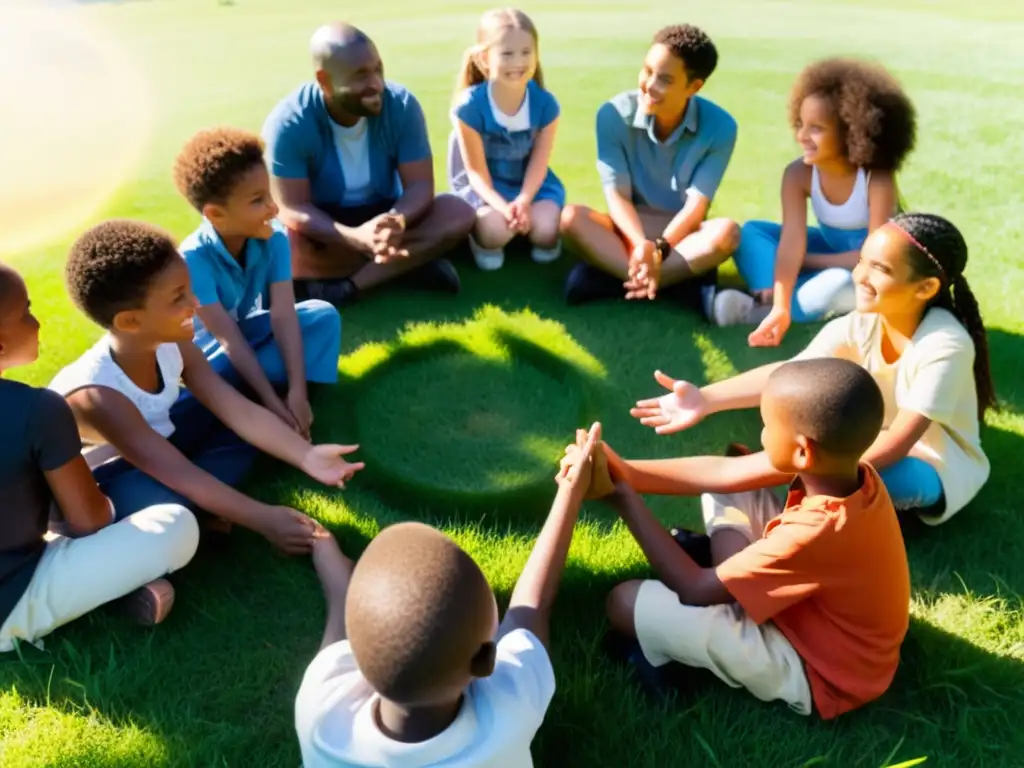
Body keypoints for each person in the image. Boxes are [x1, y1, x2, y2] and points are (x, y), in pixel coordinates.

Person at [584, 358, 910, 719]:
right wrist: (625, 473)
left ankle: (698, 624)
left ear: (802, 450)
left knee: (624, 602)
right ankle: (729, 590)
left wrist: (624, 500)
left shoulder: (820, 530)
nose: (761, 434)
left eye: (768, 425)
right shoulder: (850, 472)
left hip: (820, 674)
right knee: (729, 485)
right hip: (812, 618)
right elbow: (725, 472)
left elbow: (695, 587)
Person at [628, 212, 994, 525]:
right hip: (863, 437)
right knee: (789, 434)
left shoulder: (945, 344)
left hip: (931, 460)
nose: (859, 275)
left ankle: (841, 512)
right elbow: (792, 372)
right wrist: (706, 398)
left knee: (877, 479)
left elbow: (899, 442)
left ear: (926, 287)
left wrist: (801, 469)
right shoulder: (864, 321)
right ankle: (819, 500)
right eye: (862, 260)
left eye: (879, 269)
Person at [49, 220, 364, 555]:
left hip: (159, 444)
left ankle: (209, 512)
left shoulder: (171, 340)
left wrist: (307, 456)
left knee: (244, 436)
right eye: (178, 297)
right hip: (99, 485)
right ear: (130, 321)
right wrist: (264, 519)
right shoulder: (98, 394)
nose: (195, 302)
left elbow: (234, 408)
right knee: (173, 503)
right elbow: (177, 472)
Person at [295, 423, 603, 766]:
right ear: (488, 661)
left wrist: (328, 560)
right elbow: (530, 611)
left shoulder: (321, 716)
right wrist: (571, 491)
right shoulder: (508, 710)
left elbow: (337, 636)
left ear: (356, 659)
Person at [0, 264, 198, 650]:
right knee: (176, 525)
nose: (36, 322)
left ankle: (115, 588)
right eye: (25, 312)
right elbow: (90, 520)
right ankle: (113, 590)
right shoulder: (37, 409)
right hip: (11, 600)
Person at [262, 22, 476, 307]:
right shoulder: (289, 122)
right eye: (361, 76)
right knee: (279, 245)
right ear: (324, 81)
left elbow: (421, 184)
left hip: (386, 214)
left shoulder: (400, 105)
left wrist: (397, 220)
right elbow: (292, 208)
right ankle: (409, 265)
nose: (376, 84)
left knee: (458, 213)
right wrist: (352, 237)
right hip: (325, 224)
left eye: (378, 69)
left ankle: (346, 287)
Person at [713, 58, 916, 342]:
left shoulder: (876, 179)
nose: (802, 136)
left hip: (869, 269)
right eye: (800, 124)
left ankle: (756, 309)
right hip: (829, 249)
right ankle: (777, 304)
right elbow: (792, 242)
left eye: (816, 128)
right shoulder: (798, 175)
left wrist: (806, 260)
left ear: (851, 132)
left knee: (843, 284)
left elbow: (872, 257)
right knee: (751, 233)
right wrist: (783, 300)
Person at [173, 127, 341, 439]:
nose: (273, 208)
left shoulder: (274, 236)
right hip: (211, 356)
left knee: (323, 314)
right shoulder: (192, 258)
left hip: (250, 337)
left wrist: (297, 392)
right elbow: (227, 339)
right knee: (224, 370)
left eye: (269, 194)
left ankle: (270, 390)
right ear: (215, 214)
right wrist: (273, 404)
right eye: (257, 200)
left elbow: (283, 314)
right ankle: (244, 400)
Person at [559, 24, 739, 305]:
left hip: (680, 234)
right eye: (647, 70)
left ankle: (612, 280)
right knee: (571, 219)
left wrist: (660, 247)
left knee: (727, 233)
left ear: (694, 87)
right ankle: (682, 288)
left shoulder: (721, 127)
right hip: (629, 227)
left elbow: (696, 208)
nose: (649, 85)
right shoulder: (612, 115)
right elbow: (616, 195)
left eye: (665, 80)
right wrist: (641, 242)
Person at [447, 8, 565, 271]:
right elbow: (476, 174)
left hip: (530, 185)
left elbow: (539, 164)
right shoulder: (469, 108)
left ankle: (525, 227)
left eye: (526, 52)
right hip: (486, 189)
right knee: (494, 233)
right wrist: (503, 208)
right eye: (507, 54)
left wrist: (523, 201)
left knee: (546, 232)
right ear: (484, 58)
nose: (518, 62)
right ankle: (488, 236)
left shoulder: (546, 105)